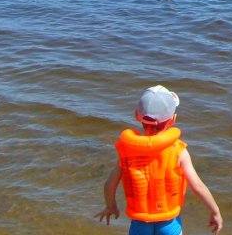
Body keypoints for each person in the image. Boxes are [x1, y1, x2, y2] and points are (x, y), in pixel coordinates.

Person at [95, 85, 223, 234]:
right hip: (169, 223)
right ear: (172, 119)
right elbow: (198, 186)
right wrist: (215, 211)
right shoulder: (178, 151)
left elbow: (109, 185)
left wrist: (111, 206)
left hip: (140, 223)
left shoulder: (127, 150)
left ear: (137, 115)